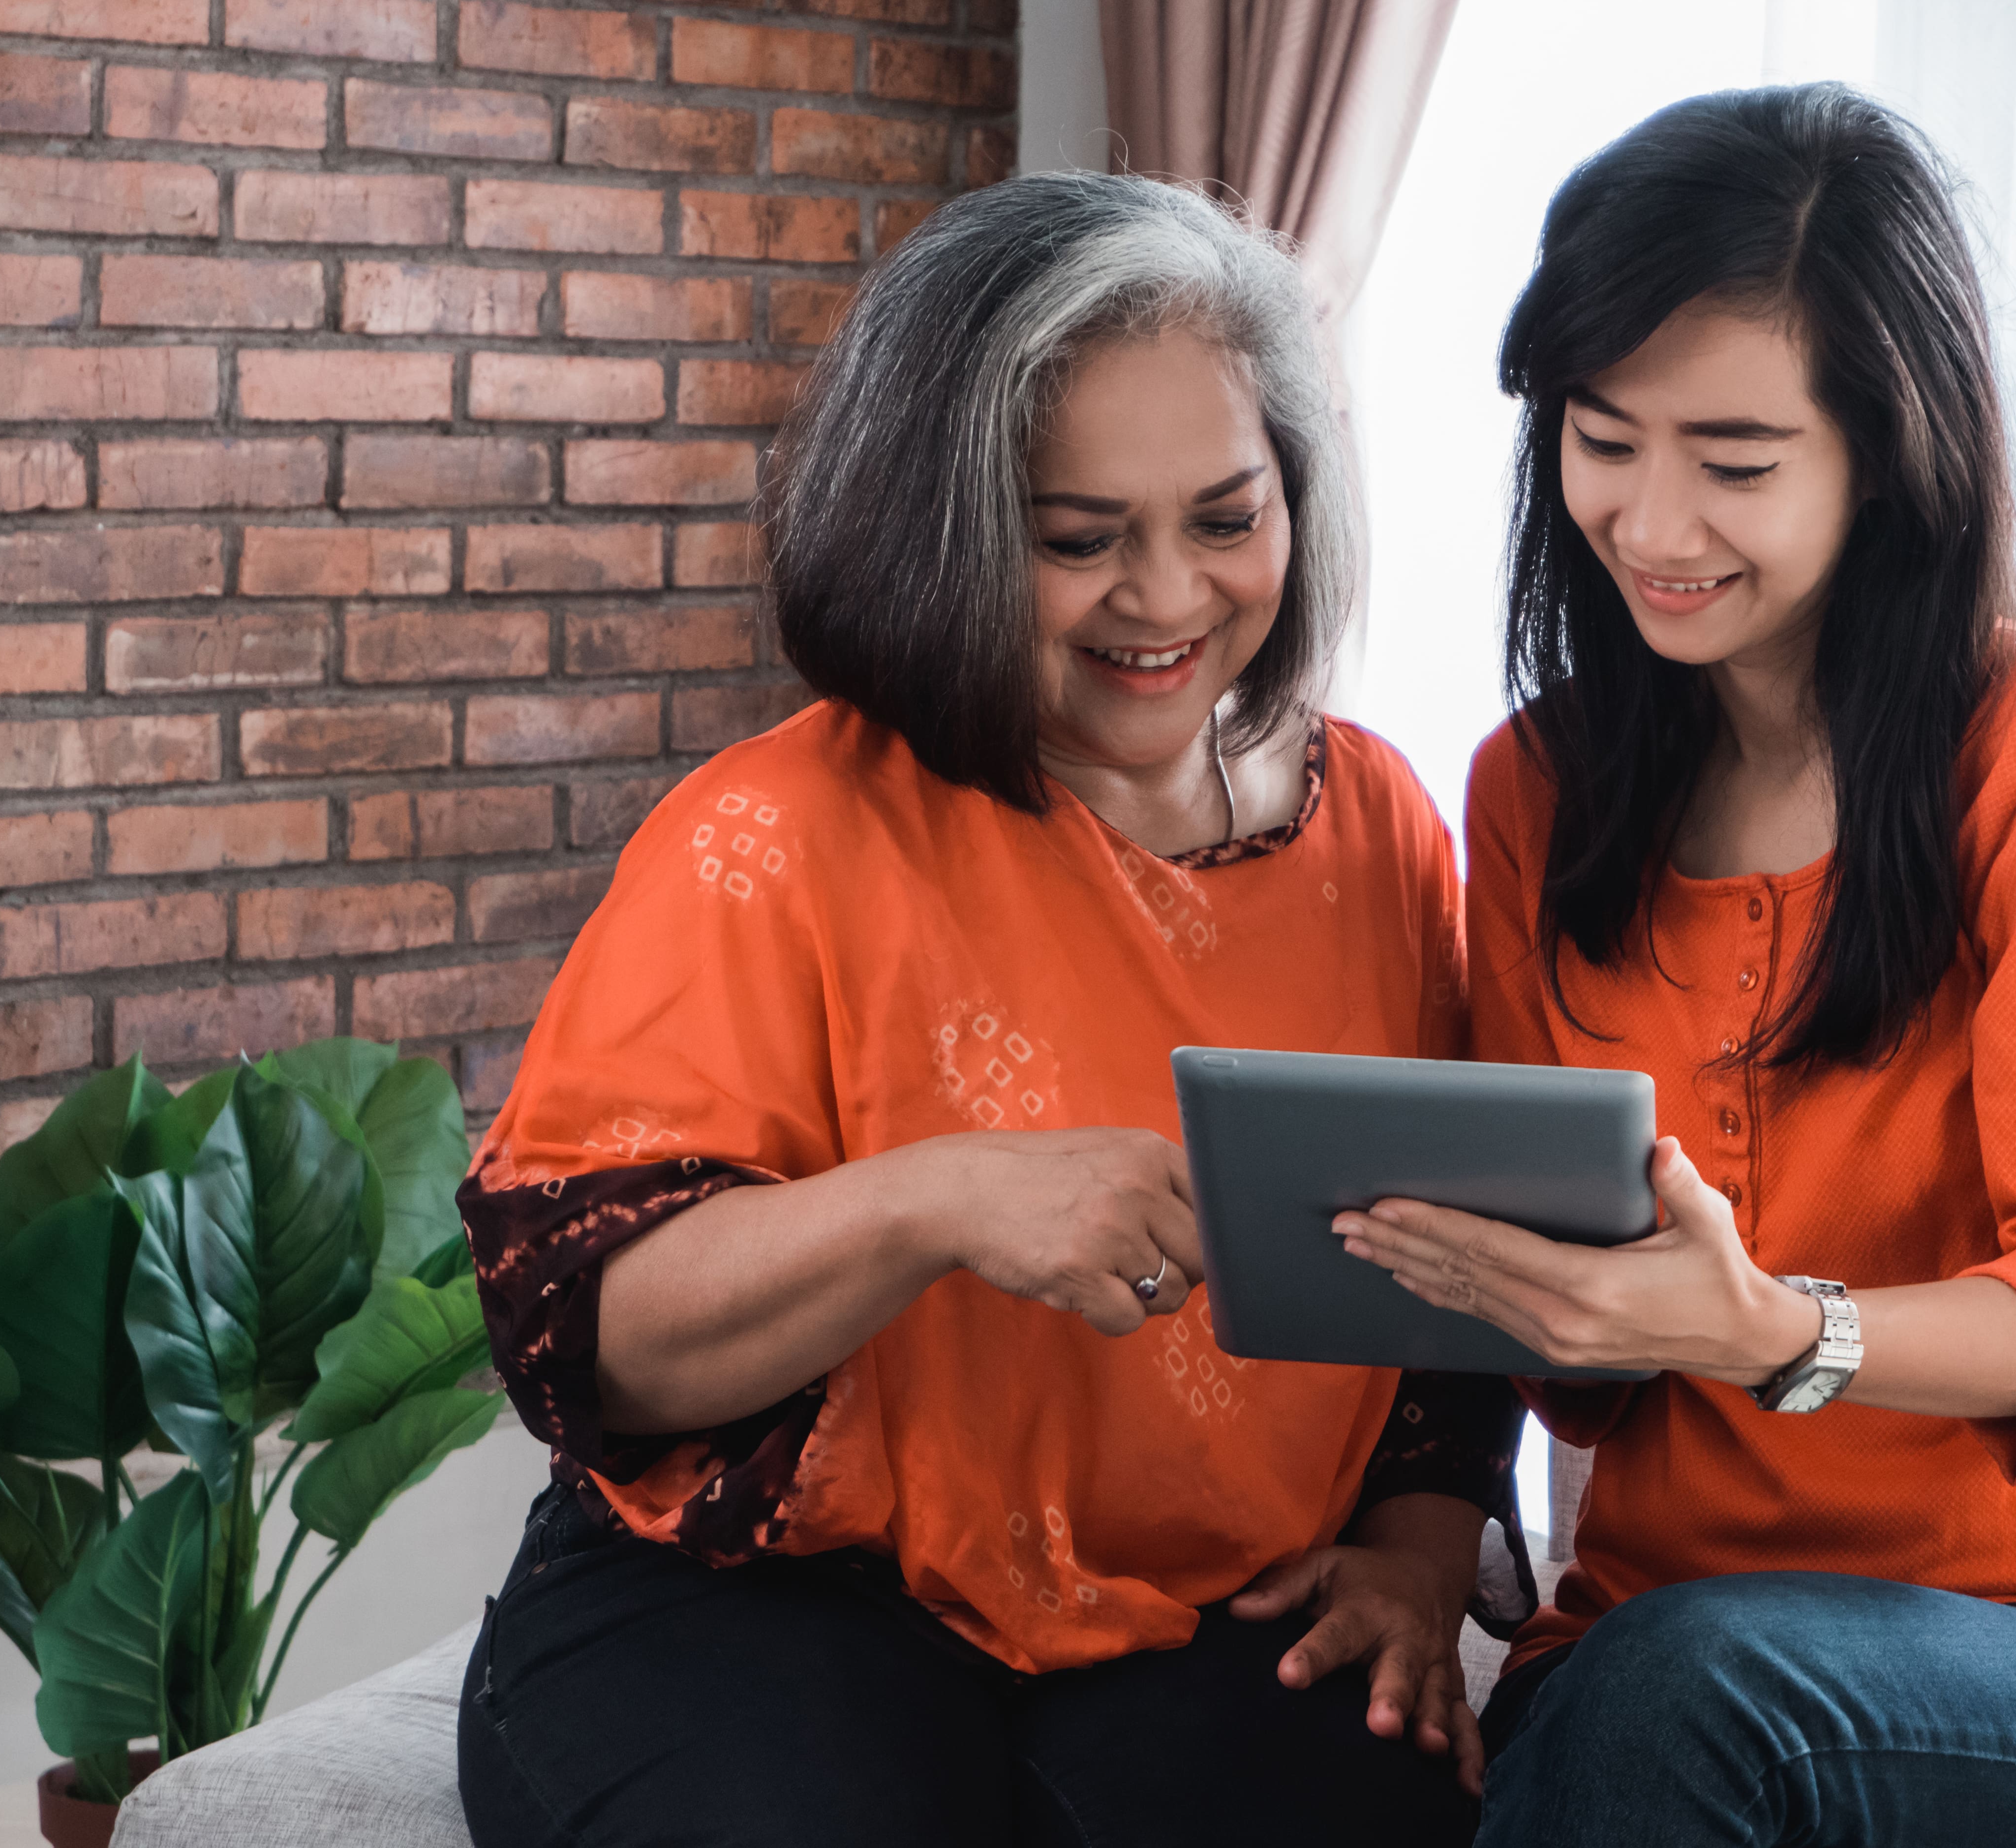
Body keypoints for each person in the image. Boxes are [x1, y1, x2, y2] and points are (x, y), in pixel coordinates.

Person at [453, 172, 1514, 1848]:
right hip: (773, 1599)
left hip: (1207, 1610)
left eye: (1225, 519)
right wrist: (942, 1200)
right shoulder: (775, 833)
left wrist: (1423, 1551)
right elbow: (579, 1336)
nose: (1167, 600)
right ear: (938, 535)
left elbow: (1459, 1255)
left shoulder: (1379, 829)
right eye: (1078, 541)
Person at [1332, 86, 2016, 1847]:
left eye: (1736, 462)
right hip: (1648, 1650)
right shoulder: (1534, 791)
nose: (1649, 519)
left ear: (1889, 450)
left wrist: (1778, 1334)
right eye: (1601, 436)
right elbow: (1576, 1375)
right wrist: (1537, 1303)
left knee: (1691, 1697)